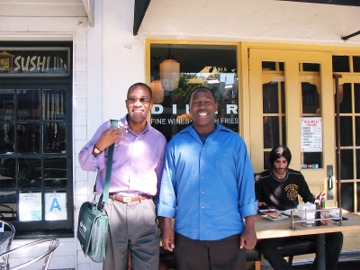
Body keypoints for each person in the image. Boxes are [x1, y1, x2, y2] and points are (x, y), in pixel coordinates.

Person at [157, 86, 258, 270]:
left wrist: (250, 226)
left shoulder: (234, 143)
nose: (201, 106)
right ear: (190, 108)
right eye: (196, 102)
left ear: (216, 107)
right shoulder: (176, 144)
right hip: (188, 237)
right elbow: (167, 190)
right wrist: (166, 227)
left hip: (229, 236)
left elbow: (246, 186)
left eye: (207, 102)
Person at [78, 82, 167, 270]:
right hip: (113, 208)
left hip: (145, 209)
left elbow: (161, 181)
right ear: (126, 103)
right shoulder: (110, 128)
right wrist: (99, 146)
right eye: (133, 99)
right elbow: (85, 163)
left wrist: (161, 217)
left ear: (151, 104)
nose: (137, 104)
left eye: (143, 100)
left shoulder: (158, 139)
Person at [255, 145, 343, 270]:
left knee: (336, 236)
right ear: (272, 162)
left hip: (297, 222)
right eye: (277, 162)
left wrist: (316, 202)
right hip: (275, 227)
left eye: (284, 162)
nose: (281, 166)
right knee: (266, 248)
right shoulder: (261, 179)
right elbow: (254, 204)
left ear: (288, 162)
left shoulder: (296, 176)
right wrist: (257, 204)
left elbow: (308, 198)